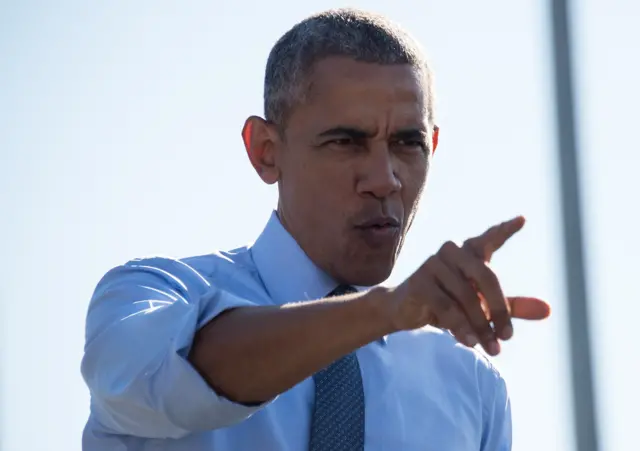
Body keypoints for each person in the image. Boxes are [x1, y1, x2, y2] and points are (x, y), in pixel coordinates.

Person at [81, 8, 550, 451]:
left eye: (409, 143)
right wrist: (382, 311)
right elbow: (175, 380)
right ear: (265, 150)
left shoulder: (470, 383)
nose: (386, 178)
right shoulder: (150, 297)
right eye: (346, 142)